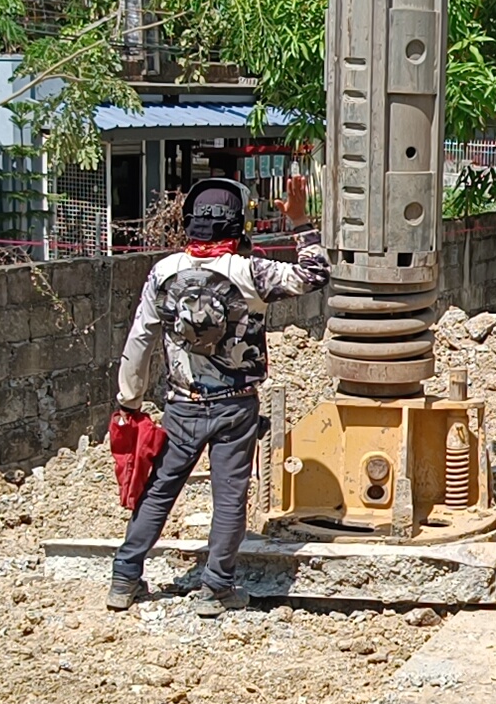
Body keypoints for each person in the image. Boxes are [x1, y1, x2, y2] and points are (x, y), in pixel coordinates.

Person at [107, 175, 330, 617]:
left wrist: (128, 401)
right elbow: (315, 273)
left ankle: (124, 578)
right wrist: (301, 222)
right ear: (237, 226)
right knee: (229, 498)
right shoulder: (251, 272)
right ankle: (216, 589)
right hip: (236, 405)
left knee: (157, 491)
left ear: (189, 223)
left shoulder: (163, 273)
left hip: (181, 405)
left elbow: (140, 340)